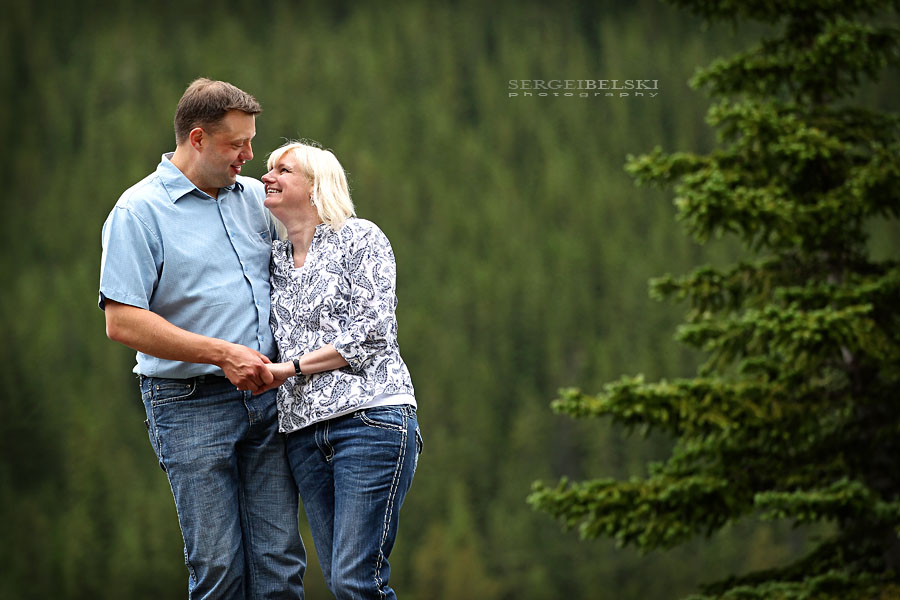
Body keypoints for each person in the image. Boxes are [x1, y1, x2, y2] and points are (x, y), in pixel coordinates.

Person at [98, 78, 305, 599]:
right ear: (197, 138)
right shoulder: (137, 211)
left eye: (251, 142)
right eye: (238, 144)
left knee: (281, 562)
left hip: (268, 396)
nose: (250, 156)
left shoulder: (257, 199)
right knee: (217, 567)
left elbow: (311, 254)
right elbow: (122, 321)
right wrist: (221, 353)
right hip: (188, 403)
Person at [260, 141, 422, 599]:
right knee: (342, 582)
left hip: (369, 420)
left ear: (316, 186)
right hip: (303, 436)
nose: (267, 177)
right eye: (268, 169)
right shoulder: (272, 260)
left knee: (356, 580)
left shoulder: (360, 238)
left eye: (283, 170)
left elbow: (371, 334)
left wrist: (290, 368)